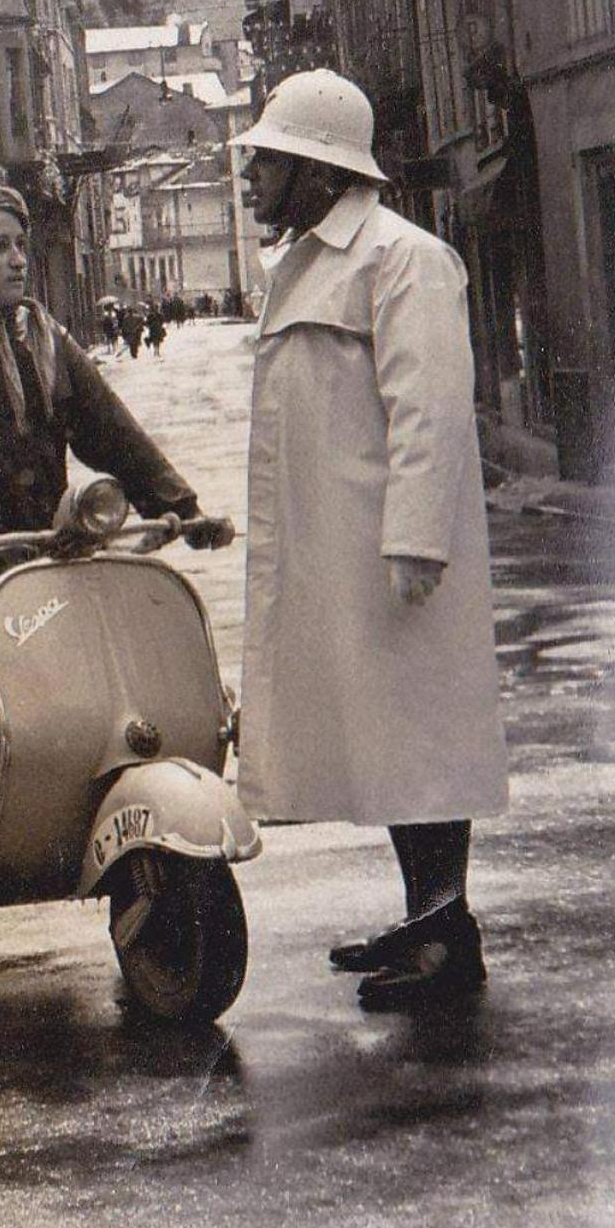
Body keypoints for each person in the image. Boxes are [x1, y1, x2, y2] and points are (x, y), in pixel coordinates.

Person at [231, 68, 509, 1012]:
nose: (252, 175)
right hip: (342, 554)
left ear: (319, 169)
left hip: (394, 556)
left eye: (269, 160)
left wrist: (417, 539)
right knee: (386, 740)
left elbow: (430, 407)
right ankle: (428, 918)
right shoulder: (312, 263)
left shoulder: (403, 258)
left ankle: (446, 938)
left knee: (422, 738)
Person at [0, 184, 226, 729]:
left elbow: (113, 431)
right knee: (25, 697)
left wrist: (181, 506)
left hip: (43, 557)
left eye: (21, 244)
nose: (18, 259)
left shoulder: (43, 337)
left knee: (122, 645)